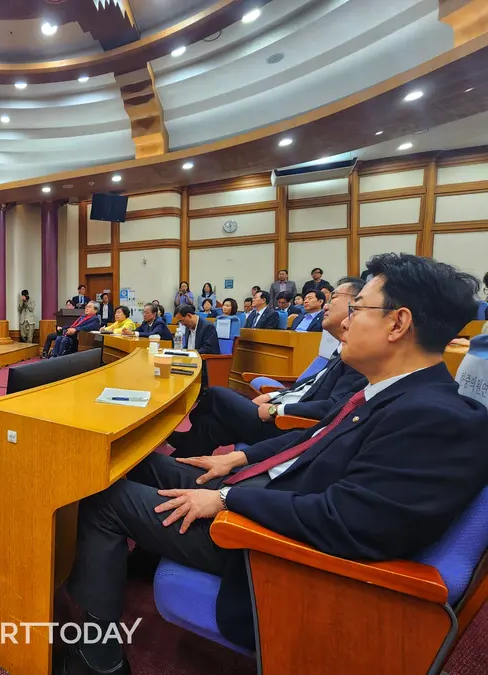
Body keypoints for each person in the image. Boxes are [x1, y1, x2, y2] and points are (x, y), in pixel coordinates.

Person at [57, 255, 487, 674]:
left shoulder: (434, 418)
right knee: (138, 463)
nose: (347, 321)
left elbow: (349, 522)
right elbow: (312, 440)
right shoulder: (395, 392)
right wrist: (237, 459)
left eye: (358, 309)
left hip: (265, 544)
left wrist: (227, 500)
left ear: (398, 323)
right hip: (264, 493)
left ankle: (99, 660)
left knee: (103, 498)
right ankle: (133, 561)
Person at [168, 277, 366, 459]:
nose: (327, 304)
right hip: (281, 406)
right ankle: (179, 462)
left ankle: (187, 433)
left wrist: (276, 408)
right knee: (210, 425)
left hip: (287, 423)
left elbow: (332, 407)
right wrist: (272, 396)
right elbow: (307, 385)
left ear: (356, 305)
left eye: (334, 298)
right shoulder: (339, 349)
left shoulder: (358, 357)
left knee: (215, 394)